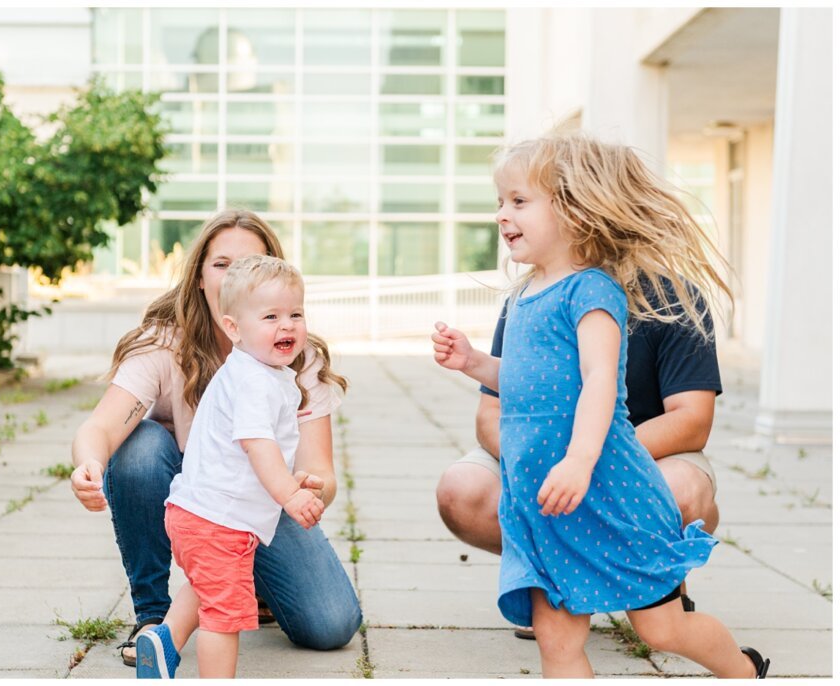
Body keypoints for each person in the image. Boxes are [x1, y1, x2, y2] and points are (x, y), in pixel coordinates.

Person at [431, 134, 769, 678]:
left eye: (519, 201)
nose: (501, 215)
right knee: (557, 644)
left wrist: (579, 460)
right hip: (546, 505)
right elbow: (525, 385)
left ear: (574, 209)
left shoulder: (592, 292)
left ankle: (741, 669)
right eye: (500, 201)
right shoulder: (523, 297)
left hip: (609, 491)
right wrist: (473, 362)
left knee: (663, 628)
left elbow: (598, 383)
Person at [70, 209, 361, 668]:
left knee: (332, 623)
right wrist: (88, 464)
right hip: (199, 499)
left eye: (251, 265)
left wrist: (308, 488)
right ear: (200, 277)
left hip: (264, 497)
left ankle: (217, 605)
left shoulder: (295, 356)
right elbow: (102, 427)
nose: (234, 277)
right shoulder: (167, 343)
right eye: (222, 264)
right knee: (139, 447)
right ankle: (153, 615)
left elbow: (321, 470)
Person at [436, 279, 723, 633]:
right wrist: (542, 465)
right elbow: (490, 415)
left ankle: (656, 581)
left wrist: (589, 463)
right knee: (461, 490)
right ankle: (551, 581)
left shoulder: (676, 297)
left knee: (680, 489)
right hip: (543, 450)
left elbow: (691, 420)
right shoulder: (528, 296)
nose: (502, 221)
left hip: (643, 455)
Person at [136, 255, 322, 679]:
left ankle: (163, 641)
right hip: (219, 522)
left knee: (206, 584)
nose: (287, 325)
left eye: (296, 313)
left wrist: (291, 480)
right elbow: (257, 446)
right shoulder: (255, 380)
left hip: (196, 513)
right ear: (233, 328)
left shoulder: (251, 372)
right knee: (225, 614)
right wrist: (290, 495)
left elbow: (247, 458)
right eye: (271, 316)